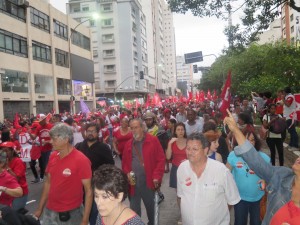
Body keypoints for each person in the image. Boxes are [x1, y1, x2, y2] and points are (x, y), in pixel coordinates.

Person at [224, 109, 300, 225]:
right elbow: (254, 160)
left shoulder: (265, 157)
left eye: (252, 140)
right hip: (241, 199)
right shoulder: (282, 175)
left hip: (256, 200)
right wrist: (235, 129)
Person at [34, 123, 93, 225]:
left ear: (65, 140)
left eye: (54, 139)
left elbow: (89, 191)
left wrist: (84, 220)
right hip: (50, 212)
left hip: (72, 214)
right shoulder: (53, 156)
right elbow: (48, 183)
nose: (51, 141)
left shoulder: (81, 160)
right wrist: (40, 208)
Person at [177, 132, 241, 225]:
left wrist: (216, 216)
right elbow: (180, 196)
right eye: (188, 148)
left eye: (195, 149)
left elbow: (231, 200)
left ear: (205, 150)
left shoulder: (221, 171)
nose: (190, 152)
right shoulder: (182, 168)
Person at [122, 119, 165, 225]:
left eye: (136, 127)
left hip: (149, 183)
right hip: (133, 185)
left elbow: (161, 160)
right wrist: (127, 173)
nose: (133, 130)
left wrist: (157, 176)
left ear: (142, 127)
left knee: (152, 211)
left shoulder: (153, 140)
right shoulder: (128, 144)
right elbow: (124, 164)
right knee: (134, 212)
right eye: (131, 128)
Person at [226, 129, 270, 225]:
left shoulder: (264, 158)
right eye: (245, 140)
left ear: (255, 142)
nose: (249, 143)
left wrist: (265, 180)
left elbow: (270, 176)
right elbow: (225, 173)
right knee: (240, 222)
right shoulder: (233, 155)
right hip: (239, 198)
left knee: (256, 222)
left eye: (252, 140)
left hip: (258, 198)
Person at [75, 122, 115, 225]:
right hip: (80, 186)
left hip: (96, 185)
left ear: (98, 133)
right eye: (88, 131)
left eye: (93, 131)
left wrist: (99, 174)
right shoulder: (79, 146)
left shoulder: (103, 148)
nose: (90, 133)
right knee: (81, 210)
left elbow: (111, 166)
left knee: (94, 212)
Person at [0, 142, 28, 211]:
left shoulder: (18, 161)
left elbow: (16, 179)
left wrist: (7, 168)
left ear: (12, 151)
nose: (4, 153)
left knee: (15, 214)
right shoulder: (4, 161)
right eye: (2, 150)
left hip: (19, 193)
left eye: (6, 150)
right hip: (7, 195)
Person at [29, 114, 53, 182]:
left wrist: (47, 142)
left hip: (49, 149)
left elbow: (55, 138)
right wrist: (30, 133)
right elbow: (34, 137)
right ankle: (43, 178)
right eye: (39, 122)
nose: (40, 123)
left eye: (41, 121)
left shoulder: (51, 126)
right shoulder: (39, 127)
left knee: (45, 166)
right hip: (41, 149)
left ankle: (50, 179)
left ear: (45, 120)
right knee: (42, 165)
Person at [166, 122, 187, 189]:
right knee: (178, 193)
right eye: (178, 129)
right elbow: (168, 157)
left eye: (182, 129)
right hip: (176, 168)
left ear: (184, 131)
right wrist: (169, 144)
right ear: (175, 132)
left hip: (187, 168)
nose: (180, 131)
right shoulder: (172, 142)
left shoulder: (189, 141)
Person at [282, 86, 299, 151]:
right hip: (288, 116)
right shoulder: (287, 97)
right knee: (290, 131)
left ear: (285, 91)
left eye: (283, 91)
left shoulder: (290, 97)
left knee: (292, 131)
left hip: (291, 116)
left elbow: (288, 104)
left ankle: (295, 145)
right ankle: (291, 144)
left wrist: (283, 99)